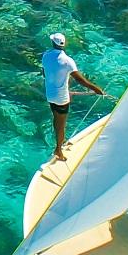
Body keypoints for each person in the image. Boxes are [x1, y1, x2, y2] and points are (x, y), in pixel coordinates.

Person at [42, 31, 103, 161]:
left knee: (56, 119)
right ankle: (58, 149)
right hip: (61, 98)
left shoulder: (46, 55)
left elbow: (45, 73)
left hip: (50, 94)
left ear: (53, 43)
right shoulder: (68, 61)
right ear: (64, 44)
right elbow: (81, 80)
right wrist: (96, 89)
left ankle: (61, 141)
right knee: (61, 124)